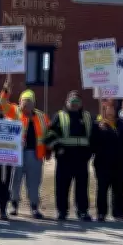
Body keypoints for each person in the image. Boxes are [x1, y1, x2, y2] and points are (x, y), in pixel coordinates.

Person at [0, 82, 51, 218]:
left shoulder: (42, 116)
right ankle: (14, 205)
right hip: (16, 154)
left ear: (34, 104)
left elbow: (48, 134)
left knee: (34, 182)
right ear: (19, 102)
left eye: (28, 103)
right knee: (15, 181)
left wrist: (49, 149)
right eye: (23, 102)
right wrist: (5, 90)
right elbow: (1, 104)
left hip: (36, 154)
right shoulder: (14, 111)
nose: (25, 106)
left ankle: (34, 207)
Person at [43, 90, 93, 221]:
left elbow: (93, 137)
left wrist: (89, 152)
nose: (75, 104)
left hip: (82, 158)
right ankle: (62, 211)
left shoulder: (87, 117)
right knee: (62, 186)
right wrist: (57, 148)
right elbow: (49, 134)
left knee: (82, 187)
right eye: (72, 101)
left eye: (77, 101)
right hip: (64, 157)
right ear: (67, 102)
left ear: (81, 103)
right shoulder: (59, 116)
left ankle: (82, 211)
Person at [92, 99, 123, 222]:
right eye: (107, 108)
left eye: (112, 108)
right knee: (102, 189)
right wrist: (100, 130)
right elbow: (93, 144)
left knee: (119, 189)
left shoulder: (122, 124)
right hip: (103, 163)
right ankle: (101, 213)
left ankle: (118, 213)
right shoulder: (97, 125)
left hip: (120, 163)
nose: (110, 110)